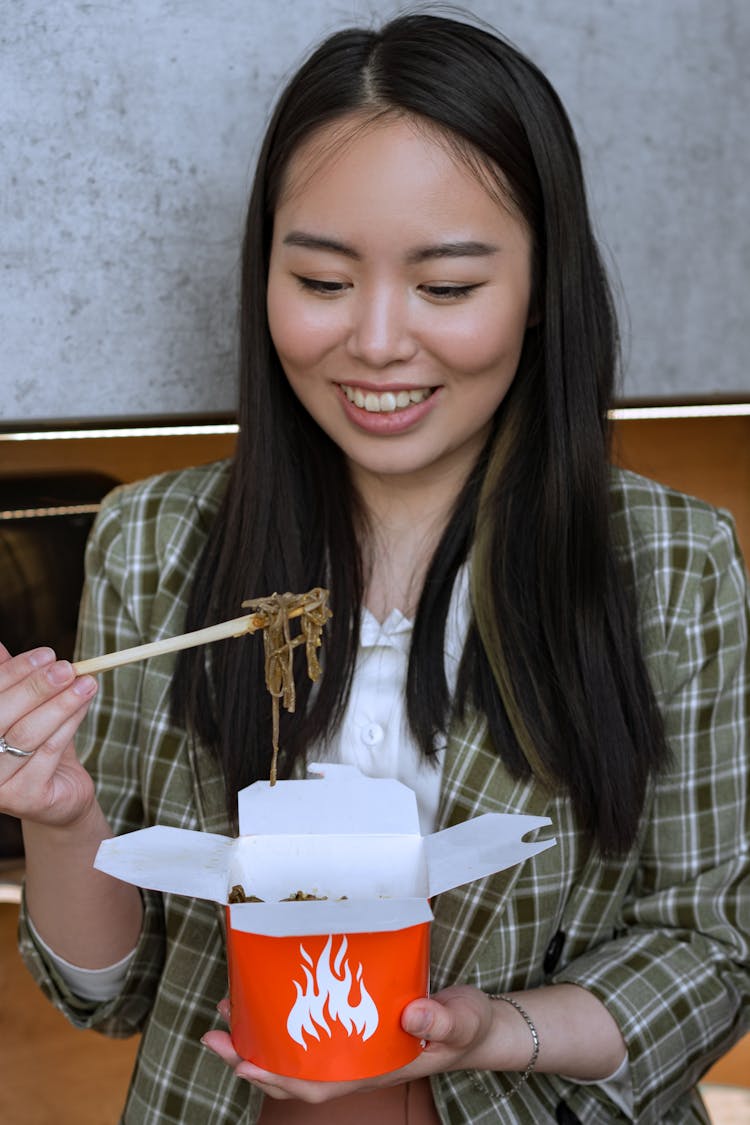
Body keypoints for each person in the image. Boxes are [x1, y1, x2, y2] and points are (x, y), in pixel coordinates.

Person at [2, 11, 748, 1124]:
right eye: (323, 281)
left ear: (542, 291)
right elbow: (109, 994)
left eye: (447, 288)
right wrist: (59, 819)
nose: (380, 341)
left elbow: (716, 949)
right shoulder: (153, 542)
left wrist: (504, 1029)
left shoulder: (673, 566)